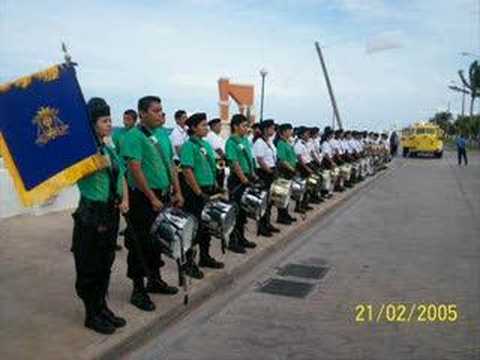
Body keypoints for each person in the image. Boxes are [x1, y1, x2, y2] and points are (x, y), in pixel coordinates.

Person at [72, 97, 128, 334]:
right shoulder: (81, 151)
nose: (109, 124)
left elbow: (121, 174)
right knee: (89, 265)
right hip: (91, 214)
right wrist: (93, 161)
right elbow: (73, 174)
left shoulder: (107, 148)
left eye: (109, 120)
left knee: (106, 262)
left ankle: (102, 307)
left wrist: (125, 199)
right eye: (105, 120)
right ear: (92, 123)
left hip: (110, 212)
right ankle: (91, 313)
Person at [121, 96, 181, 312]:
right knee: (140, 243)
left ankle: (155, 280)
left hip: (163, 196)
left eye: (161, 110)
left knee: (158, 241)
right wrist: (152, 197)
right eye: (155, 111)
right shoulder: (133, 136)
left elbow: (171, 165)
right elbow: (134, 169)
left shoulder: (162, 135)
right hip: (144, 199)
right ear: (142, 113)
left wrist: (177, 191)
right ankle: (138, 290)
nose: (159, 114)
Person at [180, 113, 225, 279]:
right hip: (195, 192)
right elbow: (187, 170)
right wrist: (199, 192)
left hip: (208, 189)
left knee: (206, 226)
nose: (207, 128)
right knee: (193, 228)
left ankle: (205, 257)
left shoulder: (205, 144)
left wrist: (216, 186)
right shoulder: (188, 146)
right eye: (203, 125)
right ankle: (188, 263)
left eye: (207, 125)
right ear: (193, 128)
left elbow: (210, 166)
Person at [225, 114, 257, 254]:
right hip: (238, 180)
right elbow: (234, 162)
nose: (246, 128)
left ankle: (242, 238)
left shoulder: (244, 140)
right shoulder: (231, 142)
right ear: (235, 127)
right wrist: (243, 178)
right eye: (244, 126)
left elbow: (249, 159)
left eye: (247, 126)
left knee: (244, 210)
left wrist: (252, 174)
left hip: (247, 177)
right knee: (236, 211)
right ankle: (233, 241)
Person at [253, 119, 281, 236]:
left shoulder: (269, 141)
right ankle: (262, 227)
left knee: (269, 201)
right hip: (264, 173)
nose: (273, 130)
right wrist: (269, 171)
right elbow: (259, 160)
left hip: (271, 171)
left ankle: (267, 223)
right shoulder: (259, 142)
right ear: (265, 129)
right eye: (272, 128)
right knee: (264, 201)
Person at [275, 123, 298, 224]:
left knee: (287, 194)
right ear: (284, 132)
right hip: (285, 172)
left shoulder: (287, 142)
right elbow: (282, 160)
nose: (291, 132)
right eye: (289, 130)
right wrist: (291, 169)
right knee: (282, 194)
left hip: (290, 171)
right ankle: (281, 216)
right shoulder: (281, 143)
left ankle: (286, 214)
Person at [293, 127, 314, 213]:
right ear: (301, 135)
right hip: (302, 166)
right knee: (301, 187)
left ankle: (305, 204)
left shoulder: (306, 143)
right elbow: (299, 158)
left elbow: (308, 156)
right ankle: (298, 206)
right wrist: (307, 168)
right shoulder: (298, 144)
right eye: (306, 133)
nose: (308, 135)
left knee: (306, 187)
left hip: (307, 164)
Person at [205, 118, 227, 189]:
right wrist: (227, 159)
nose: (220, 128)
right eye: (219, 126)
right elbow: (218, 150)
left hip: (220, 160)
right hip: (217, 160)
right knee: (218, 178)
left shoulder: (217, 136)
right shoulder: (211, 136)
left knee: (221, 178)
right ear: (213, 126)